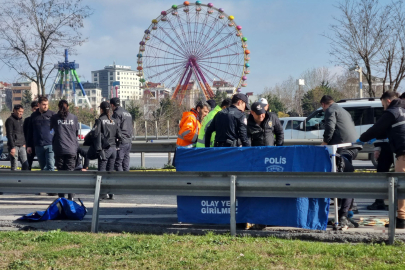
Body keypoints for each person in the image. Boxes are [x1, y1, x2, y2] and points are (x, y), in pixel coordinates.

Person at [357, 91, 405, 228]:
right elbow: (388, 130)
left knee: (401, 184)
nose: (383, 106)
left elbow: (377, 128)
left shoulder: (392, 112)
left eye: (383, 103)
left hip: (403, 152)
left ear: (388, 101)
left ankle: (401, 219)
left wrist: (362, 139)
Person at [319, 95, 359, 229]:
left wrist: (324, 143)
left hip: (343, 148)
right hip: (352, 147)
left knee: (344, 180)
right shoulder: (343, 110)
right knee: (346, 177)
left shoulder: (330, 110)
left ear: (323, 104)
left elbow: (329, 128)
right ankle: (346, 213)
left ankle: (343, 216)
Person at [50, 100, 79, 200]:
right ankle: (71, 197)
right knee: (70, 174)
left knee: (61, 174)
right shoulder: (74, 118)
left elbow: (51, 132)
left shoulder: (54, 118)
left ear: (58, 107)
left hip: (59, 149)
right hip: (71, 149)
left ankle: (61, 197)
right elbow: (76, 133)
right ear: (68, 107)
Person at [93, 101, 121, 200]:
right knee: (110, 172)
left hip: (104, 150)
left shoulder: (100, 120)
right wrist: (116, 145)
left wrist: (98, 149)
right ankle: (111, 192)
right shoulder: (114, 121)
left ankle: (102, 194)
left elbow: (96, 135)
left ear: (101, 109)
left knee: (101, 172)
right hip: (113, 149)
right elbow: (119, 136)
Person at [27, 96, 55, 171]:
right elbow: (30, 131)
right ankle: (45, 182)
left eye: (47, 104)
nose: (46, 106)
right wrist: (29, 145)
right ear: (39, 104)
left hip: (50, 144)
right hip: (38, 145)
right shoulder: (33, 116)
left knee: (50, 165)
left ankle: (52, 182)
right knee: (43, 168)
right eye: (43, 104)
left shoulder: (52, 114)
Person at [110, 97, 133, 172]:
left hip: (121, 141)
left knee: (118, 163)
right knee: (125, 164)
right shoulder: (128, 113)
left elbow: (115, 127)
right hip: (129, 141)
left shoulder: (117, 113)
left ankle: (120, 182)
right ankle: (128, 181)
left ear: (112, 105)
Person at [5, 104, 28, 170]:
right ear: (14, 110)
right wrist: (12, 147)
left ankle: (24, 178)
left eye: (22, 112)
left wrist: (24, 143)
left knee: (25, 164)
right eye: (19, 111)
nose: (21, 113)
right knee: (14, 165)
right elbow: (9, 134)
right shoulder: (10, 120)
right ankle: (14, 179)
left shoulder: (21, 120)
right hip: (14, 146)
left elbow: (23, 132)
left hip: (22, 145)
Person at [23, 101, 39, 170]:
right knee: (28, 163)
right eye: (35, 109)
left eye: (37, 108)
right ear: (32, 109)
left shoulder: (43, 119)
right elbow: (24, 132)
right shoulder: (27, 120)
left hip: (40, 144)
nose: (36, 110)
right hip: (30, 145)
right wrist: (26, 144)